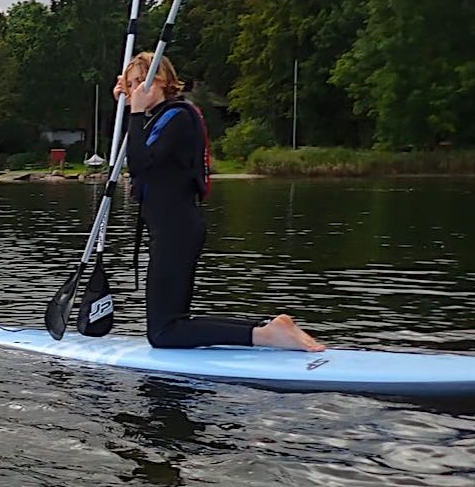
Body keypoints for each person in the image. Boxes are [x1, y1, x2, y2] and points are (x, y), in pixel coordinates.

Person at [114, 52, 324, 352]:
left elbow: (139, 163)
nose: (135, 89)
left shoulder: (178, 117)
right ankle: (269, 330)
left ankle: (264, 335)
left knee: (162, 333)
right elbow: (134, 146)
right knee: (170, 323)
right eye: (131, 84)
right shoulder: (157, 119)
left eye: (141, 82)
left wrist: (133, 112)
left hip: (177, 228)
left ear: (161, 82)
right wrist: (124, 109)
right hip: (170, 229)